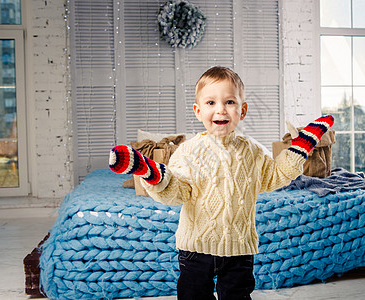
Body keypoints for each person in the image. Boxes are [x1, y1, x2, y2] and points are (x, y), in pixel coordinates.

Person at [109, 66, 334, 299]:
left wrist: (299, 149)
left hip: (239, 248)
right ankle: (151, 172)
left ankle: (152, 171)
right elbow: (177, 192)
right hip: (195, 248)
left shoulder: (253, 151)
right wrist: (159, 182)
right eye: (210, 103)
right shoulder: (188, 151)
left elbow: (274, 176)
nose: (221, 110)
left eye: (229, 102)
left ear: (242, 110)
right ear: (197, 111)